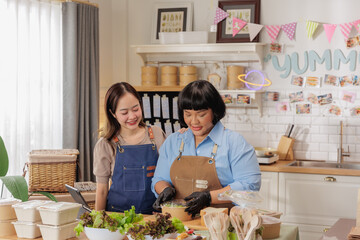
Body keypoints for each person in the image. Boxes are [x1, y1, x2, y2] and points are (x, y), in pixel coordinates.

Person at [151, 80, 261, 217]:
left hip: (221, 224)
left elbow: (249, 186)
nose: (194, 121)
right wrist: (164, 190)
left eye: (201, 114)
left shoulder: (234, 143)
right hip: (179, 225)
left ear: (215, 111)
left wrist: (210, 197)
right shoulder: (173, 141)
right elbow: (159, 178)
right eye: (188, 114)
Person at [93, 82, 166, 214]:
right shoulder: (106, 144)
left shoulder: (156, 134)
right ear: (113, 113)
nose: (132, 116)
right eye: (124, 112)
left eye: (136, 109)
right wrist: (98, 223)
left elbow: (169, 175)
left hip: (153, 217)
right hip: (118, 218)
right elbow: (102, 190)